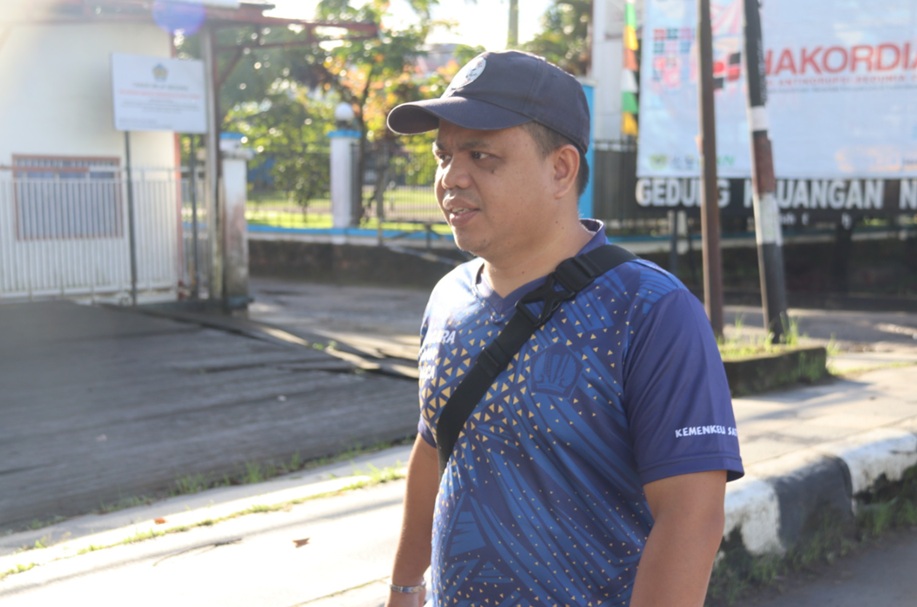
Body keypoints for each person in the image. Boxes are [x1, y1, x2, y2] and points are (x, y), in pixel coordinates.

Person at [384, 50, 744, 607]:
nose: (451, 177)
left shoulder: (650, 310)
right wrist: (404, 588)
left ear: (561, 169)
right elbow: (434, 449)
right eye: (444, 155)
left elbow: (690, 516)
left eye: (481, 155)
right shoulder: (448, 298)